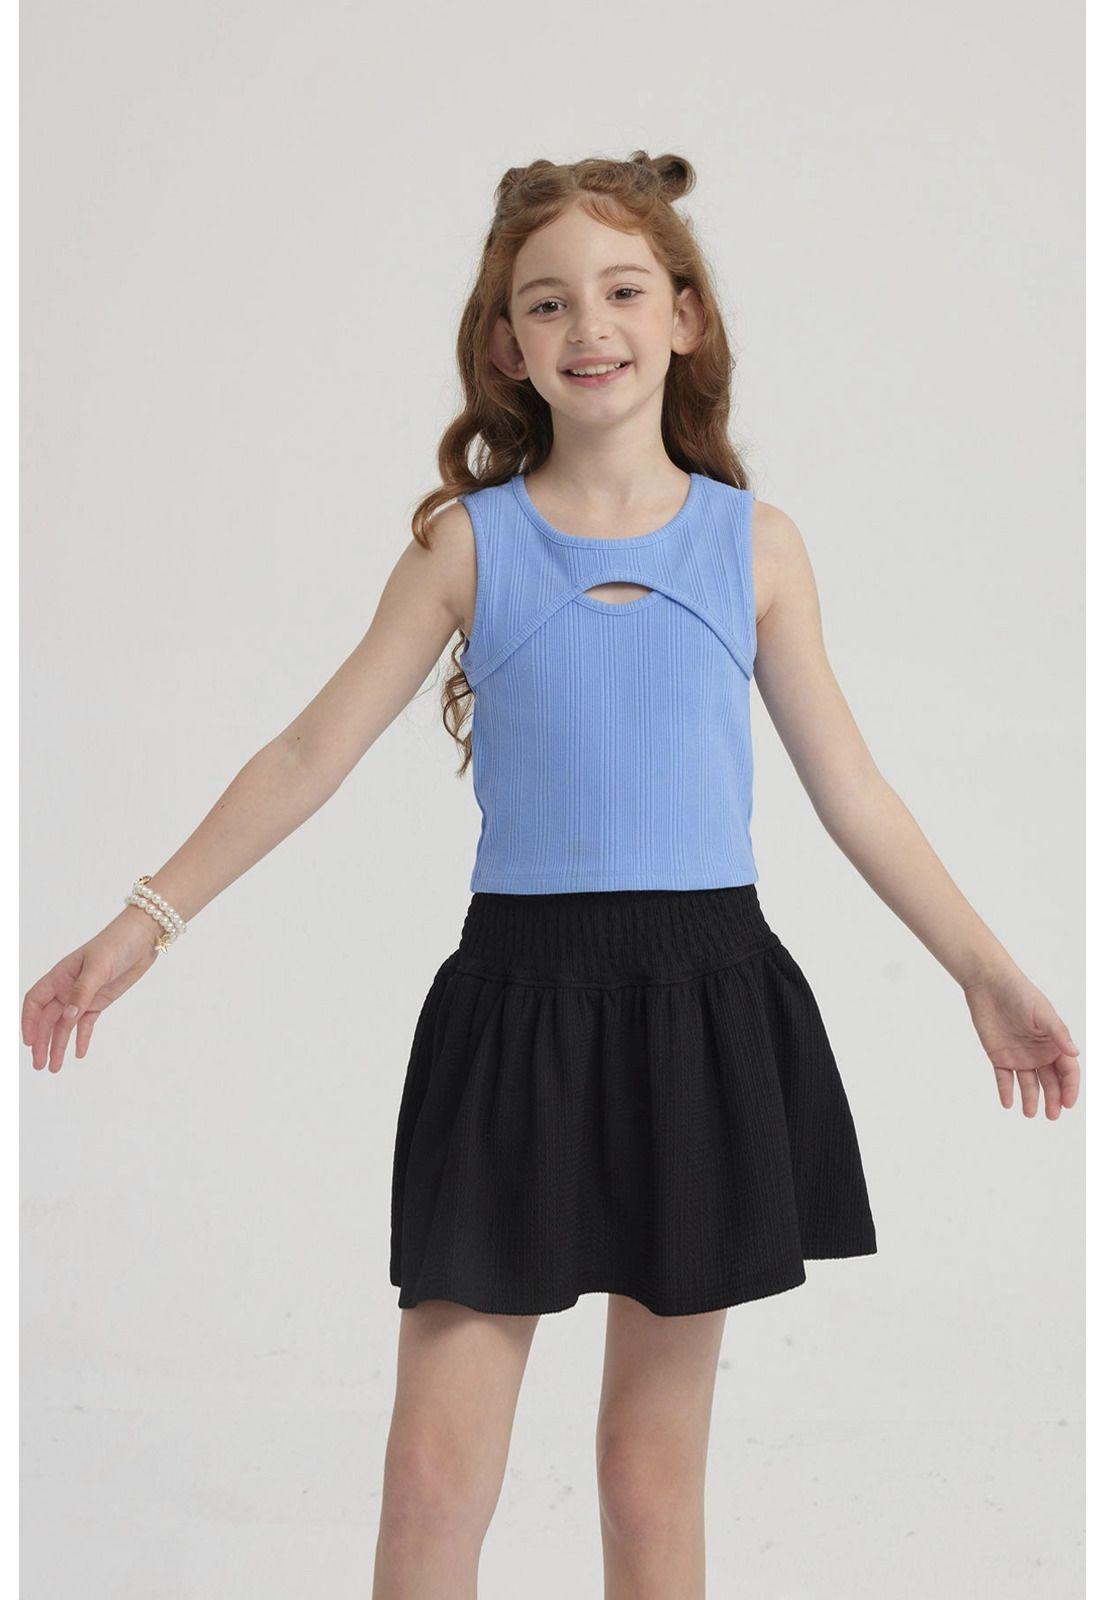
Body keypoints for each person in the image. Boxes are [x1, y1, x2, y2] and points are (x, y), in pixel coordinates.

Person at [22, 150, 1081, 1599]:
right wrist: (143, 923)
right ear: (508, 345)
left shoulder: (756, 549)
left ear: (685, 317)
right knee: (431, 1479)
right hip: (515, 1017)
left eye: (624, 290)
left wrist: (986, 972)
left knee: (648, 1480)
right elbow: (310, 749)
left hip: (702, 1013)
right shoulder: (469, 547)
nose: (591, 324)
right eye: (548, 301)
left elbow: (858, 793)